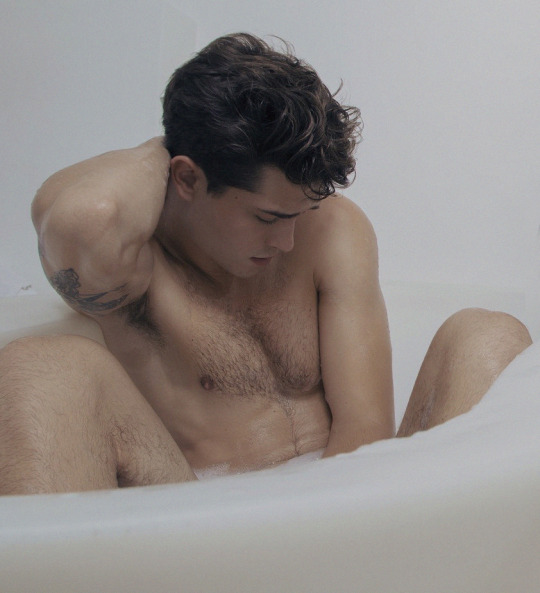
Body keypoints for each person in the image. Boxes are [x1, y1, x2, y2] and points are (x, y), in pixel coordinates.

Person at [0, 33, 532, 494]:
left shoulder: (330, 229)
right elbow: (84, 218)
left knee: (488, 334)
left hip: (350, 505)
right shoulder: (131, 266)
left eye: (301, 213)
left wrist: (335, 543)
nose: (287, 240)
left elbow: (365, 432)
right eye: (267, 217)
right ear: (186, 179)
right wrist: (170, 145)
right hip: (203, 527)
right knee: (46, 369)